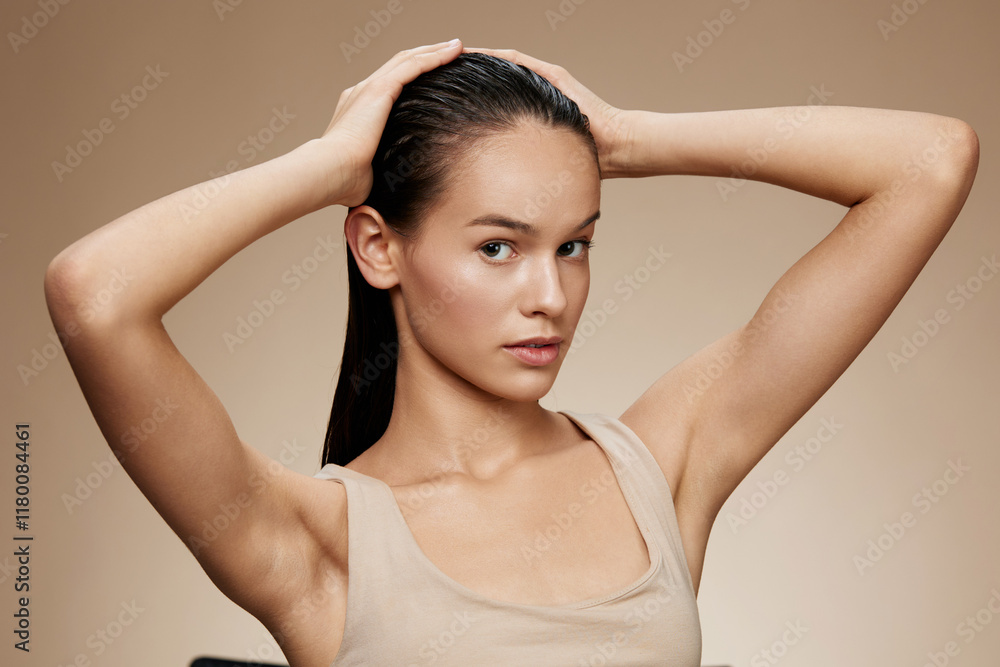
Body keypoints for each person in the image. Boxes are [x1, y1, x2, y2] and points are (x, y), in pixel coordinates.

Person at [43, 38, 978, 666]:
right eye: (499, 246)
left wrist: (630, 138)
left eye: (574, 243)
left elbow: (930, 162)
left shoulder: (659, 464)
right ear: (379, 247)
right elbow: (95, 294)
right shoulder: (317, 542)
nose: (550, 294)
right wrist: (328, 167)